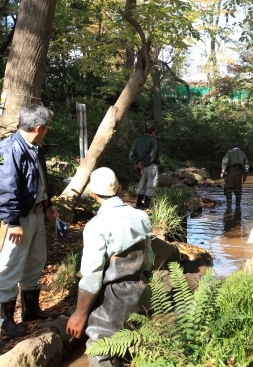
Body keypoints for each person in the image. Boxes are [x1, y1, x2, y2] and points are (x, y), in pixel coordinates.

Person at [66, 167, 153, 367]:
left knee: (101, 350)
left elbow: (92, 274)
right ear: (120, 189)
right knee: (132, 345)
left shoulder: (96, 225)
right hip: (140, 290)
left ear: (92, 193)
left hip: (113, 298)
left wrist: (80, 314)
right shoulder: (141, 216)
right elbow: (149, 257)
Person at [0, 104, 59, 338]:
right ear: (39, 127)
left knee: (36, 261)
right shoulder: (9, 149)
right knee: (10, 265)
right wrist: (13, 222)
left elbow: (39, 180)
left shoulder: (35, 147)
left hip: (36, 214)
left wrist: (49, 203)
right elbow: (6, 189)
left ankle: (31, 310)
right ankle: (4, 320)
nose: (47, 131)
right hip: (18, 219)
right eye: (47, 128)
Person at [129, 124, 159, 208]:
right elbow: (153, 155)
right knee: (151, 184)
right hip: (150, 165)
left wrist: (138, 163)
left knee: (142, 183)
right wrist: (143, 163)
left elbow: (132, 154)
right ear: (153, 132)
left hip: (141, 166)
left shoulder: (137, 140)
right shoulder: (153, 141)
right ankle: (147, 203)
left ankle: (138, 202)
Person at [220, 143, 249, 207]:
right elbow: (246, 166)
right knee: (238, 189)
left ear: (233, 148)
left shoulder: (229, 153)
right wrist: (245, 176)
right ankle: (238, 206)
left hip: (230, 173)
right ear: (239, 148)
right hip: (239, 173)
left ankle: (229, 205)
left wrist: (223, 172)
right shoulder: (242, 154)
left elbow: (225, 162)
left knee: (228, 188)